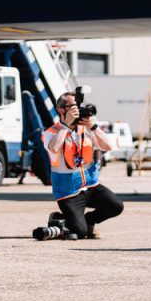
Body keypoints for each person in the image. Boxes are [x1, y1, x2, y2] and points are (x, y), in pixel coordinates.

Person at [41, 91, 123, 239]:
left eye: (78, 106)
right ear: (61, 110)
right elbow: (53, 148)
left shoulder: (86, 129)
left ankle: (89, 221)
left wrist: (94, 127)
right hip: (69, 192)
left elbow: (108, 146)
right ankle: (57, 218)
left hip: (91, 186)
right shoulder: (51, 132)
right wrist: (65, 125)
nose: (77, 110)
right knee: (79, 233)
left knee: (116, 206)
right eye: (72, 106)